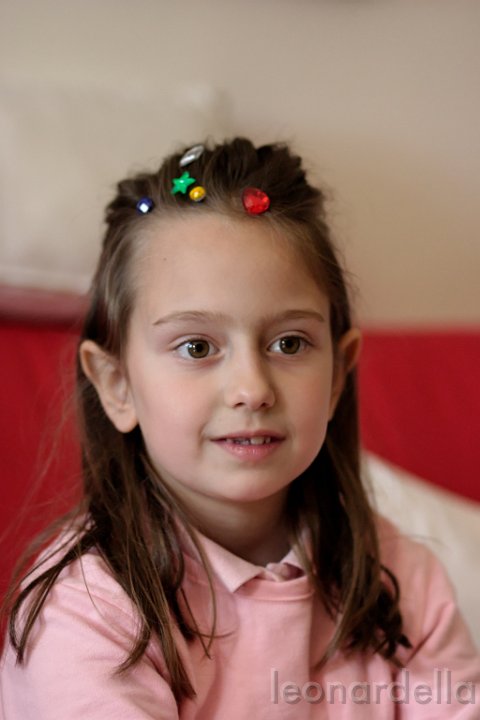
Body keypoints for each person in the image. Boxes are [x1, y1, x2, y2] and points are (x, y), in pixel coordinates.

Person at [0, 138, 478, 718]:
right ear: (117, 384)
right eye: (197, 347)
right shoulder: (88, 612)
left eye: (289, 343)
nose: (252, 389)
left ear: (338, 375)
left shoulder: (401, 577)